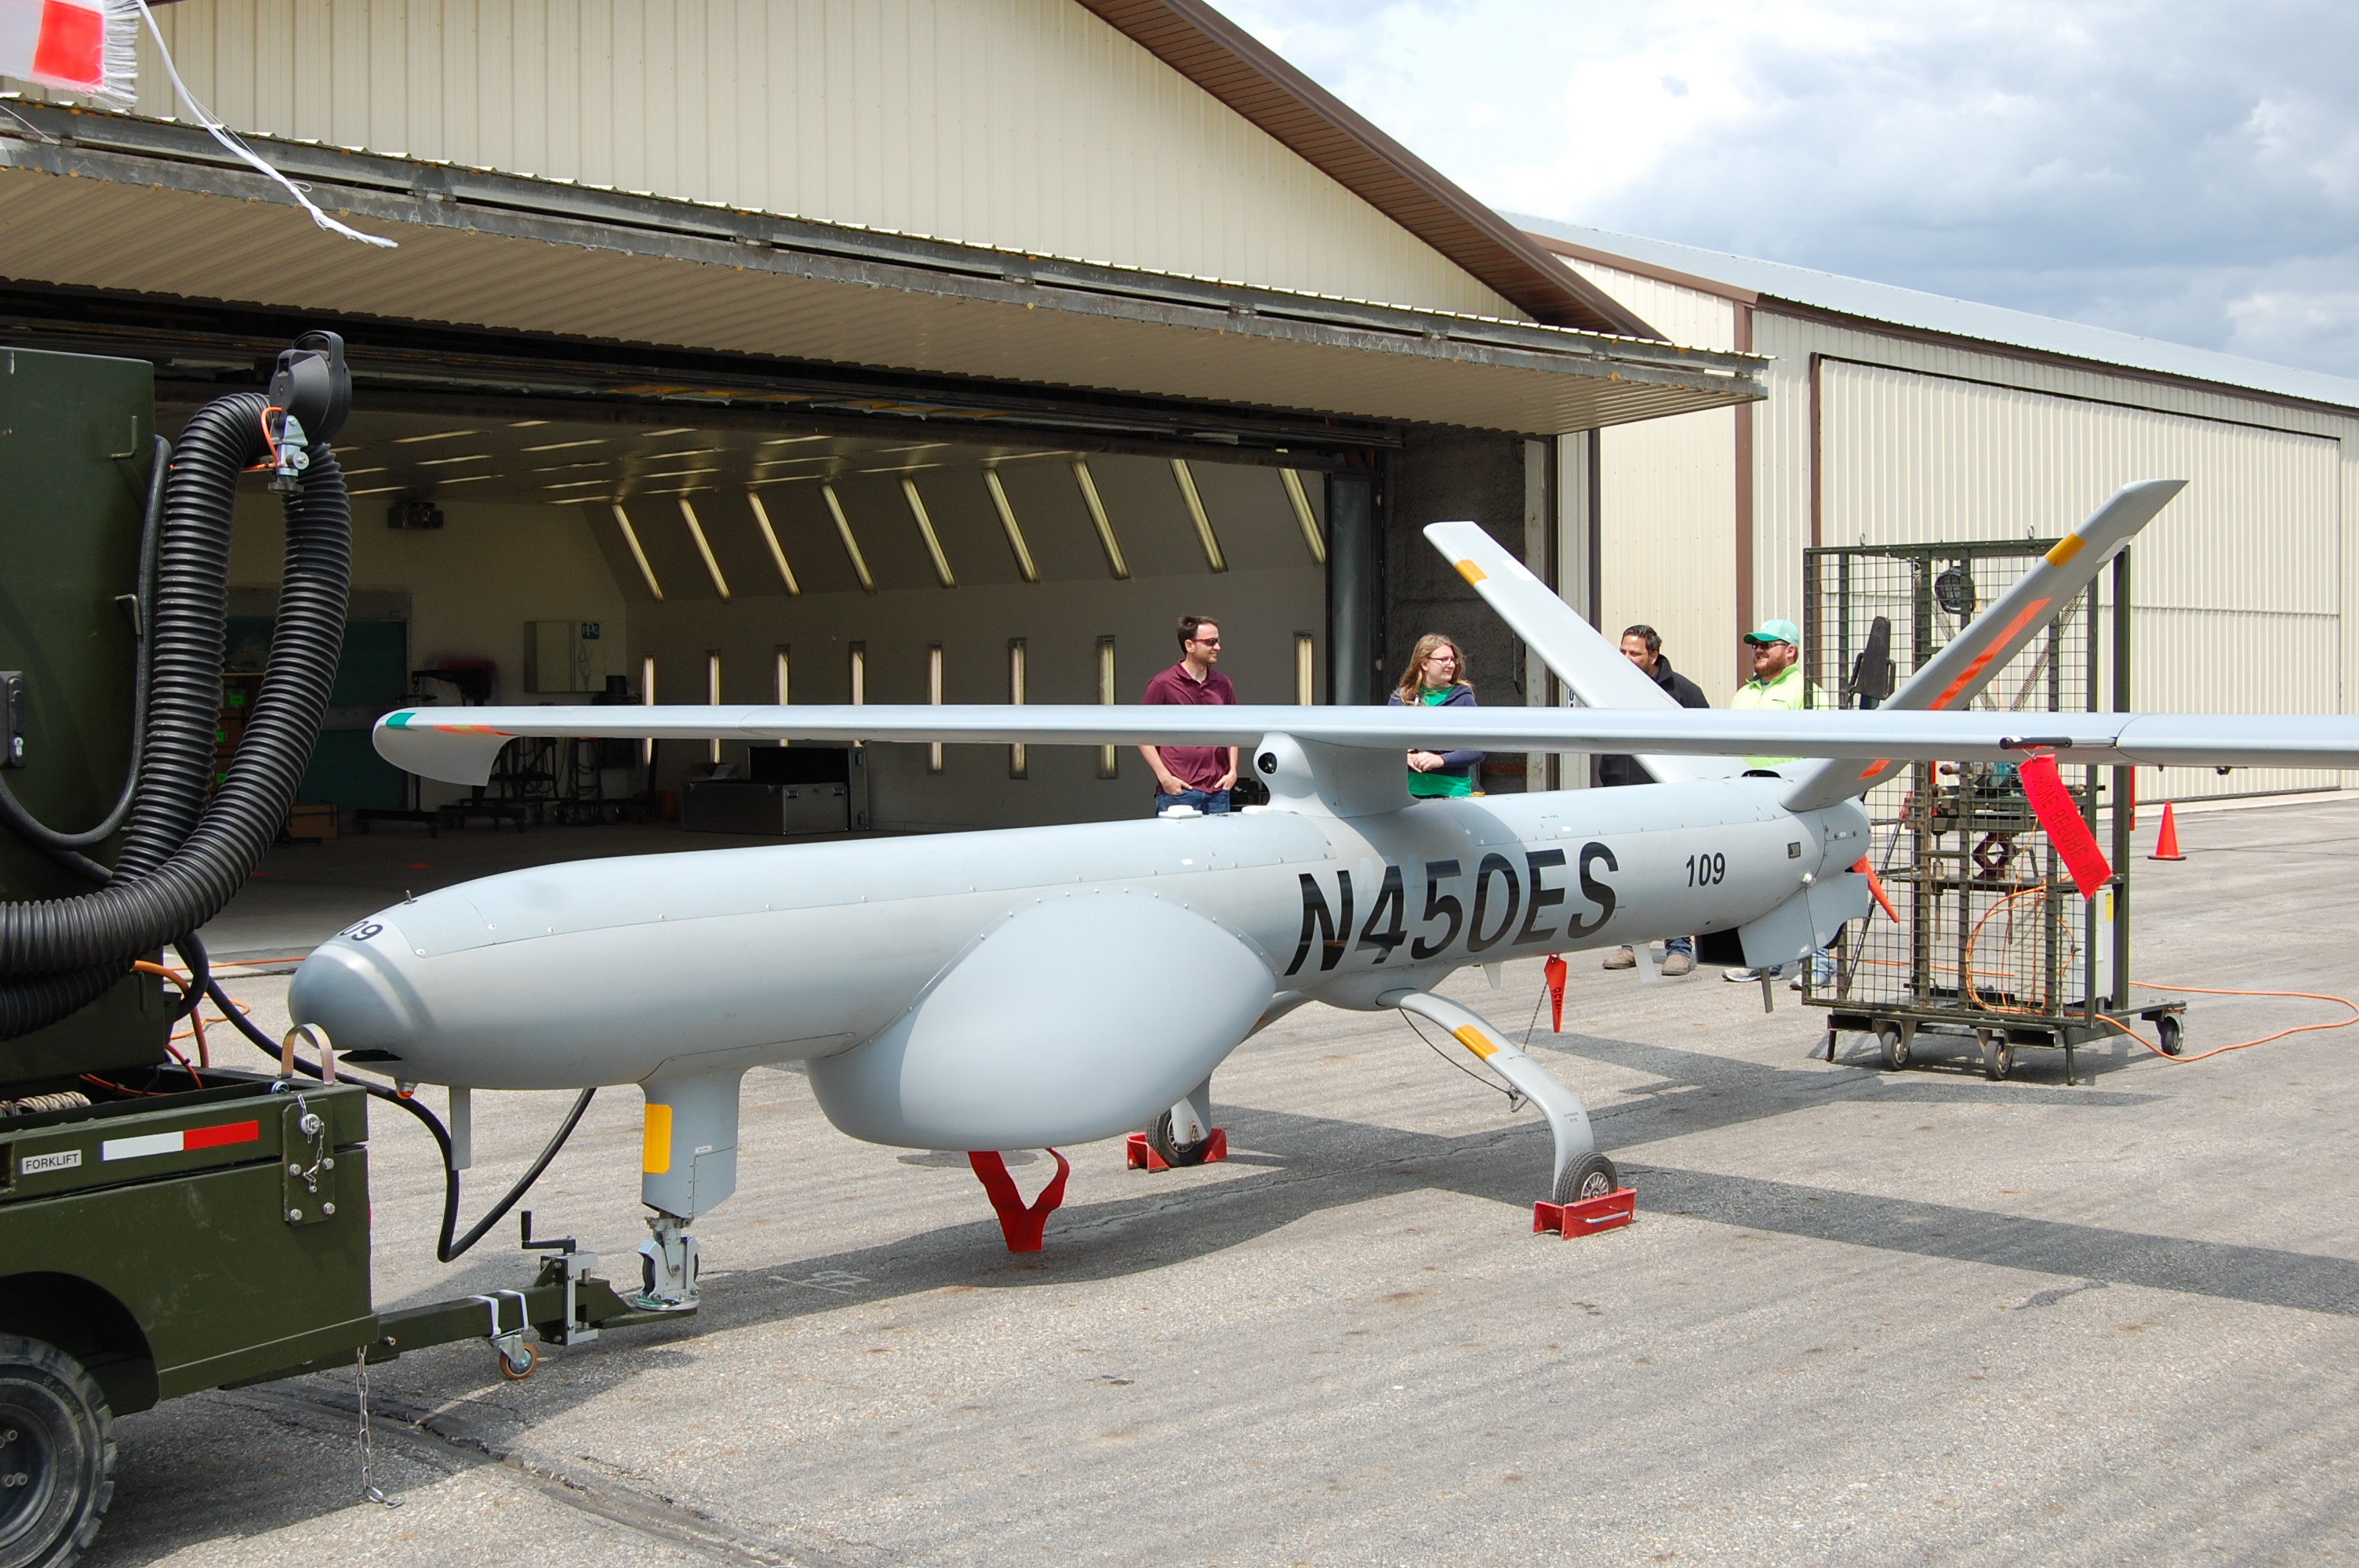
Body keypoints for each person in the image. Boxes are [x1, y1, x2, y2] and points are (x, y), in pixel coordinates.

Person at [1723, 617, 1835, 986]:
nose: (1759, 649)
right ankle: (1762, 959)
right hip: (1749, 802)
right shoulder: (1744, 694)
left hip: (1793, 799)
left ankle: (1818, 963)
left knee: (1808, 878)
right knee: (1755, 881)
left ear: (1790, 652)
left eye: (1768, 644)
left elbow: (1830, 741)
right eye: (1756, 644)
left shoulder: (1806, 691)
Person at [1600, 625, 1708, 977]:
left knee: (1674, 873)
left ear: (1654, 657)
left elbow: (1706, 742)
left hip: (1668, 802)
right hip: (1624, 799)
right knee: (1631, 873)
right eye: (1622, 652)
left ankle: (1678, 947)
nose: (1627, 659)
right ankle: (1632, 943)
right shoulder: (1609, 691)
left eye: (1635, 654)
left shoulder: (1683, 692)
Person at [1140, 614, 1238, 814]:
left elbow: (1234, 730)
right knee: (1177, 846)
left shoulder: (1223, 684)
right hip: (1178, 791)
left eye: (1218, 641)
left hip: (1218, 791)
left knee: (1219, 846)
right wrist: (1165, 778)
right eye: (1210, 642)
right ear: (1190, 645)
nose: (1217, 647)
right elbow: (1142, 735)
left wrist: (1233, 772)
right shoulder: (1163, 683)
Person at [1387, 634, 1483, 797]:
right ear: (1425, 663)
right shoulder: (1401, 698)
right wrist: (1405, 756)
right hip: (1407, 792)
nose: (1451, 665)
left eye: (1453, 659)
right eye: (1444, 660)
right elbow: (1384, 743)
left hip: (1452, 793)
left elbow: (1479, 749)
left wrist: (1441, 760)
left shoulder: (1464, 699)